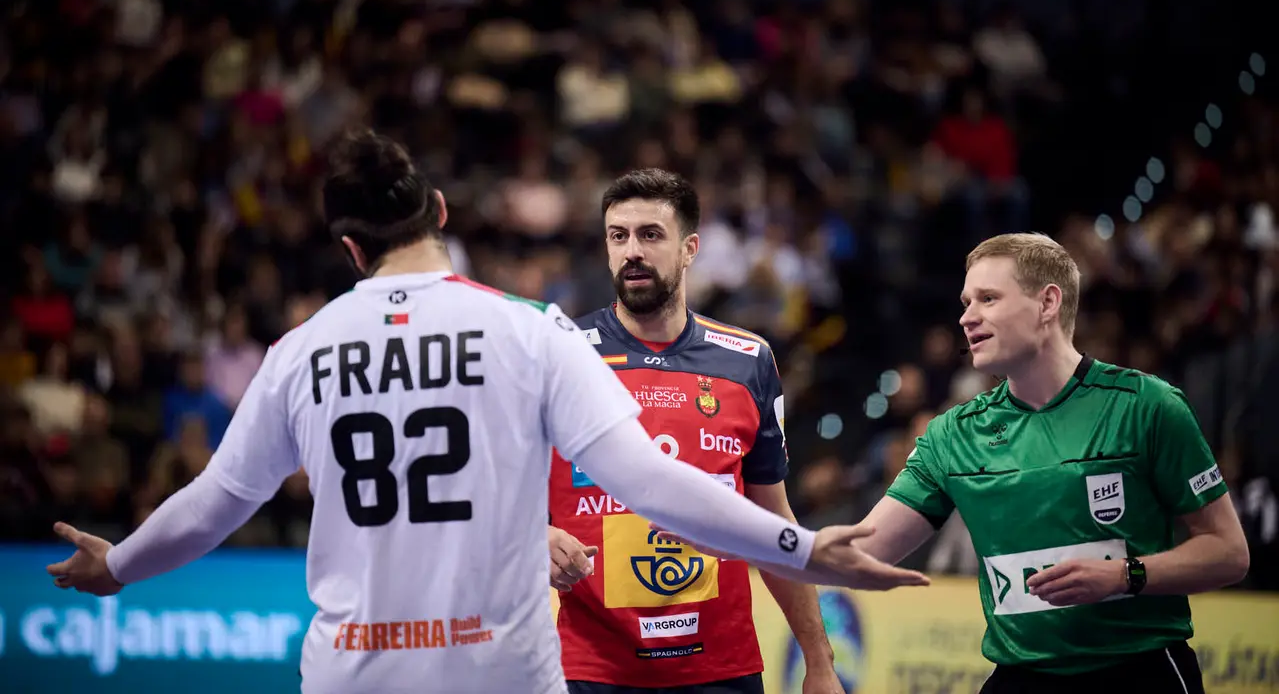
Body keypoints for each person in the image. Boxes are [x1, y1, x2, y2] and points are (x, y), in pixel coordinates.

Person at [45, 130, 930, 694]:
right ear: (439, 211)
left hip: (354, 674)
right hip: (498, 669)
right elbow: (653, 483)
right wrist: (804, 547)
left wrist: (118, 565)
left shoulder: (299, 351)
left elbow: (213, 505)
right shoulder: (531, 332)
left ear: (349, 247)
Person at [837, 233, 1248, 692]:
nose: (966, 317)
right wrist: (755, 527)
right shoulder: (951, 435)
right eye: (966, 302)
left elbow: (1228, 552)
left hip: (1142, 671)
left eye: (988, 299)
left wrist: (1124, 575)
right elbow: (858, 552)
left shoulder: (1147, 406)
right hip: (1020, 679)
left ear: (1047, 303)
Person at [546, 168, 844, 694]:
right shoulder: (559, 351)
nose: (632, 251)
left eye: (651, 235)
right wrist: (535, 537)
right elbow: (497, 495)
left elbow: (772, 520)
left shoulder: (749, 361)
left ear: (690, 249)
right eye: (619, 236)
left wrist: (819, 662)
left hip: (720, 671)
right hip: (591, 671)